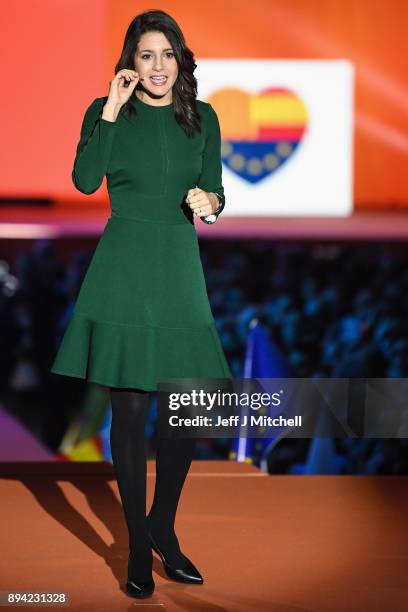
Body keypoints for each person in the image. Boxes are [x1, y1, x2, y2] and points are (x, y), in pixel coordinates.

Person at [50, 9, 232, 600]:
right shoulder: (107, 114)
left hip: (179, 269)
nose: (157, 66)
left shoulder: (202, 117)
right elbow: (83, 181)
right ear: (130, 61)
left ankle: (163, 528)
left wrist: (211, 199)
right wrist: (107, 108)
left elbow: (216, 191)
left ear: (181, 60)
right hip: (124, 268)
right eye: (145, 55)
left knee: (190, 408)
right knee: (127, 416)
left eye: (166, 55)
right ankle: (135, 542)